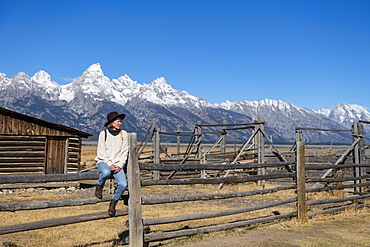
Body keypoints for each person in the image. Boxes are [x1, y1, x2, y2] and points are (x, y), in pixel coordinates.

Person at [94, 111, 129, 216]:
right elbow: (101, 152)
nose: (120, 123)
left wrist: (119, 165)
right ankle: (99, 186)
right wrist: (109, 164)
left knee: (123, 184)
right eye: (118, 121)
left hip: (117, 164)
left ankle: (113, 203)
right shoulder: (103, 134)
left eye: (120, 122)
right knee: (105, 172)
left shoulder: (124, 134)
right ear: (112, 122)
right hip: (104, 161)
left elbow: (124, 152)